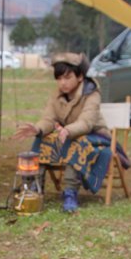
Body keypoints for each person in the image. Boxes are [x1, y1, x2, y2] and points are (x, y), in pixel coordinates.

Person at [12, 52, 119, 212]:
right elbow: (49, 118)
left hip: (96, 136)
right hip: (68, 134)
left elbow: (86, 122)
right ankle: (34, 186)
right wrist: (38, 128)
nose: (63, 83)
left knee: (76, 143)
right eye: (59, 78)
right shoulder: (57, 95)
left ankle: (70, 192)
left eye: (67, 77)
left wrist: (67, 131)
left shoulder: (91, 94)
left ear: (80, 76)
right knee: (42, 140)